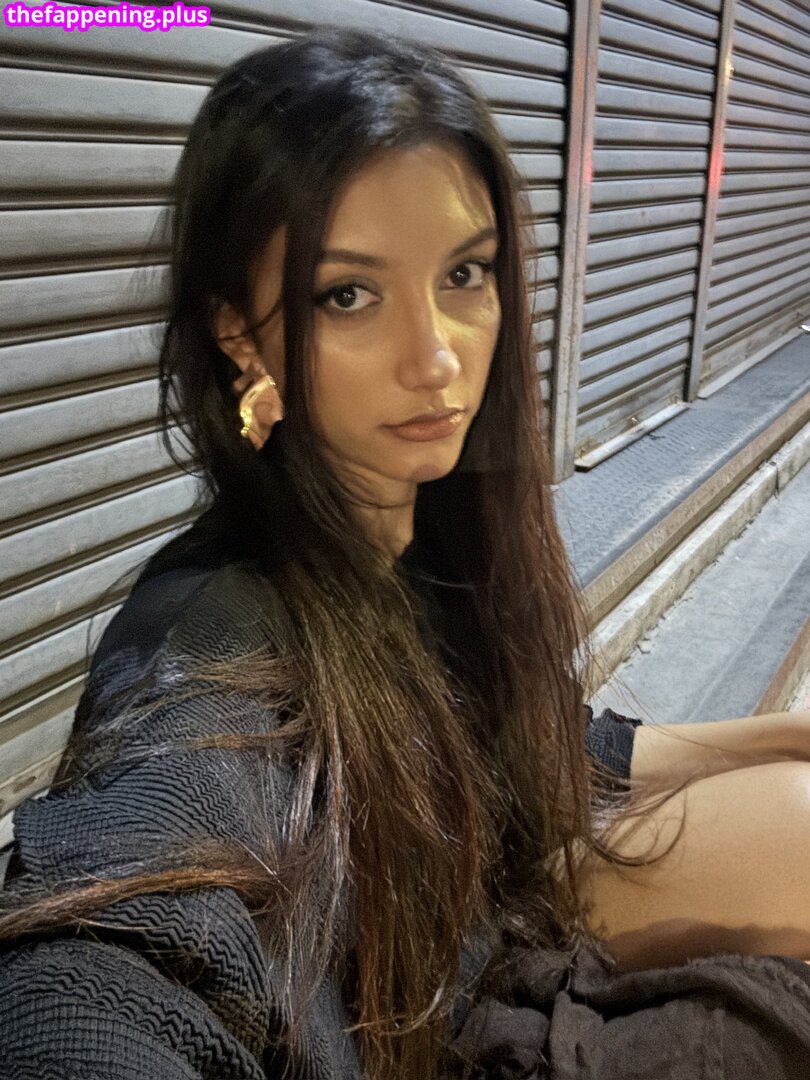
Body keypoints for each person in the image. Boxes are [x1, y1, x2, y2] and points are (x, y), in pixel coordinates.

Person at [2, 26, 810, 1080]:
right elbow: (112, 953)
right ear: (240, 332)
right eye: (349, 294)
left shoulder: (421, 528)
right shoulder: (212, 642)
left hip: (486, 927)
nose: (436, 359)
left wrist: (786, 735)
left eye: (465, 274)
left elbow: (547, 747)